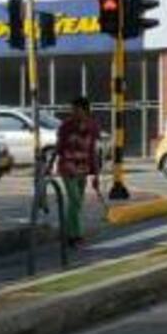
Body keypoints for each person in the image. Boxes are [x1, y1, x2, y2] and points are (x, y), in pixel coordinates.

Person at [55, 96, 101, 248]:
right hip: (68, 166)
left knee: (77, 202)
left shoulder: (92, 126)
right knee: (74, 200)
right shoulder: (66, 126)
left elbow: (93, 151)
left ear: (85, 110)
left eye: (77, 109)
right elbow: (59, 148)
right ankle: (76, 236)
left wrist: (96, 175)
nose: (73, 112)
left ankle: (70, 233)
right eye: (72, 110)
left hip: (83, 167)